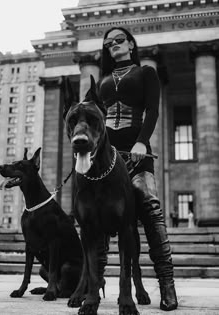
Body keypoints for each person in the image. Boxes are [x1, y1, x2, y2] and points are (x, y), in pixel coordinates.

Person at [97, 26, 178, 311]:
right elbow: (95, 114)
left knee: (151, 211)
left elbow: (152, 110)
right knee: (95, 215)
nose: (114, 45)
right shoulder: (103, 80)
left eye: (119, 40)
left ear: (131, 44)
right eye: (109, 43)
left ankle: (167, 286)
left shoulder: (146, 73)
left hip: (136, 153)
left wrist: (142, 142)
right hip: (107, 157)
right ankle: (93, 285)